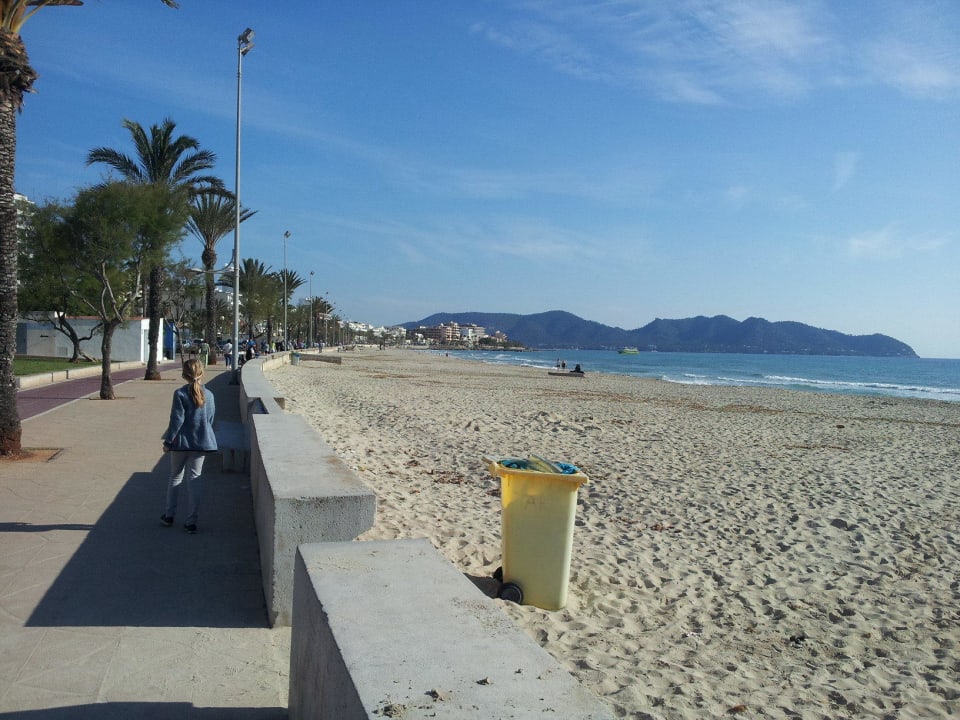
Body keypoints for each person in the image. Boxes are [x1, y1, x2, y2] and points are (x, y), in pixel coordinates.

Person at [160, 359, 218, 534]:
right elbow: (210, 420)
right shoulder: (210, 395)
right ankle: (191, 522)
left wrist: (168, 441)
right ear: (202, 373)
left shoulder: (180, 394)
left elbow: (176, 421)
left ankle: (169, 516)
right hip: (201, 443)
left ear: (184, 375)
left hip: (181, 443)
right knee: (194, 480)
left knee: (175, 477)